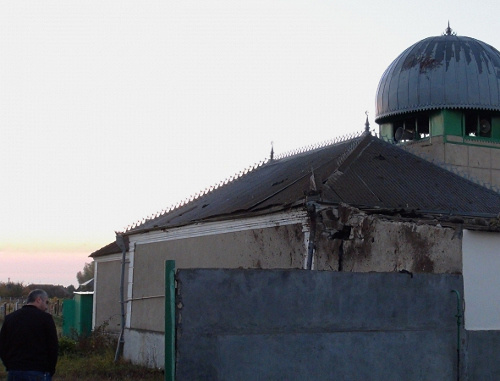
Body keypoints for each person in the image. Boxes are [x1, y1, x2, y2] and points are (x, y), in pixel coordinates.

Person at [0, 289, 58, 381]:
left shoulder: (10, 318)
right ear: (38, 300)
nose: (46, 307)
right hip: (38, 370)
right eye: (46, 302)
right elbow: (53, 347)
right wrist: (50, 370)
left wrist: (9, 365)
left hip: (14, 371)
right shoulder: (46, 319)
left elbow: (2, 345)